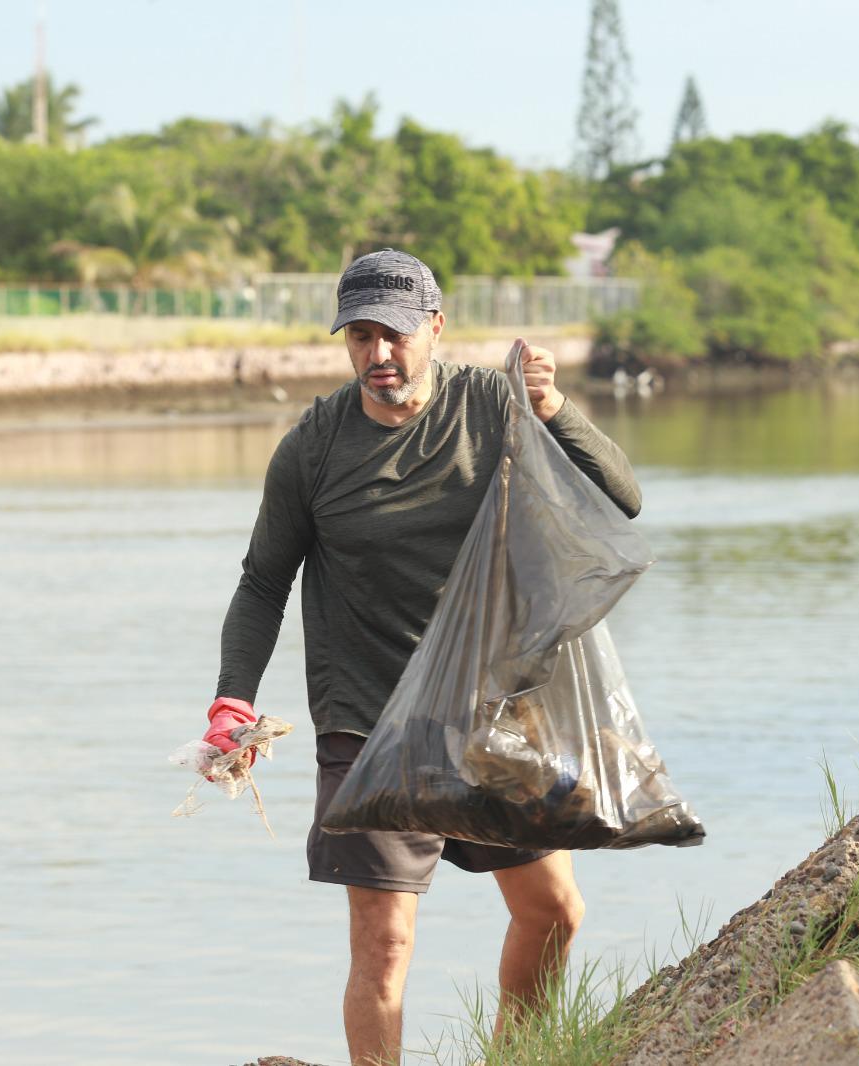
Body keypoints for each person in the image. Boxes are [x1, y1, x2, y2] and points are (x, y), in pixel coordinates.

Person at [203, 249, 641, 1065]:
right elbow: (263, 583)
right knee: (386, 944)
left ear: (435, 328)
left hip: (492, 712)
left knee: (555, 911)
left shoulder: (494, 405)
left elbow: (623, 496)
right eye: (360, 336)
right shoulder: (314, 447)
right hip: (368, 724)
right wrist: (232, 699)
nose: (378, 355)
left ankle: (516, 1056)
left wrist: (553, 407)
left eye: (395, 335)